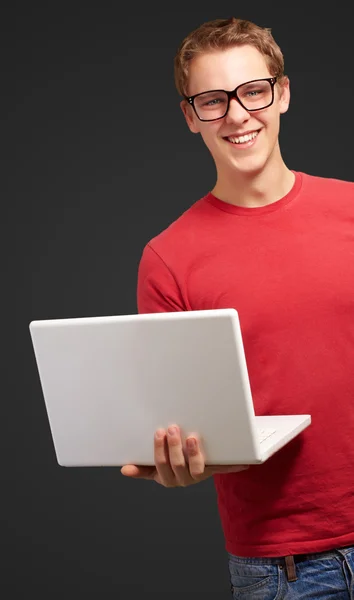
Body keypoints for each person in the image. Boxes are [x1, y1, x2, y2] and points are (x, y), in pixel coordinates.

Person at [121, 16, 354, 598]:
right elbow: (196, 423)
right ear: (190, 116)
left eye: (253, 90)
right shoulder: (168, 259)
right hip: (287, 568)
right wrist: (187, 459)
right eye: (212, 100)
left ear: (283, 93)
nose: (237, 115)